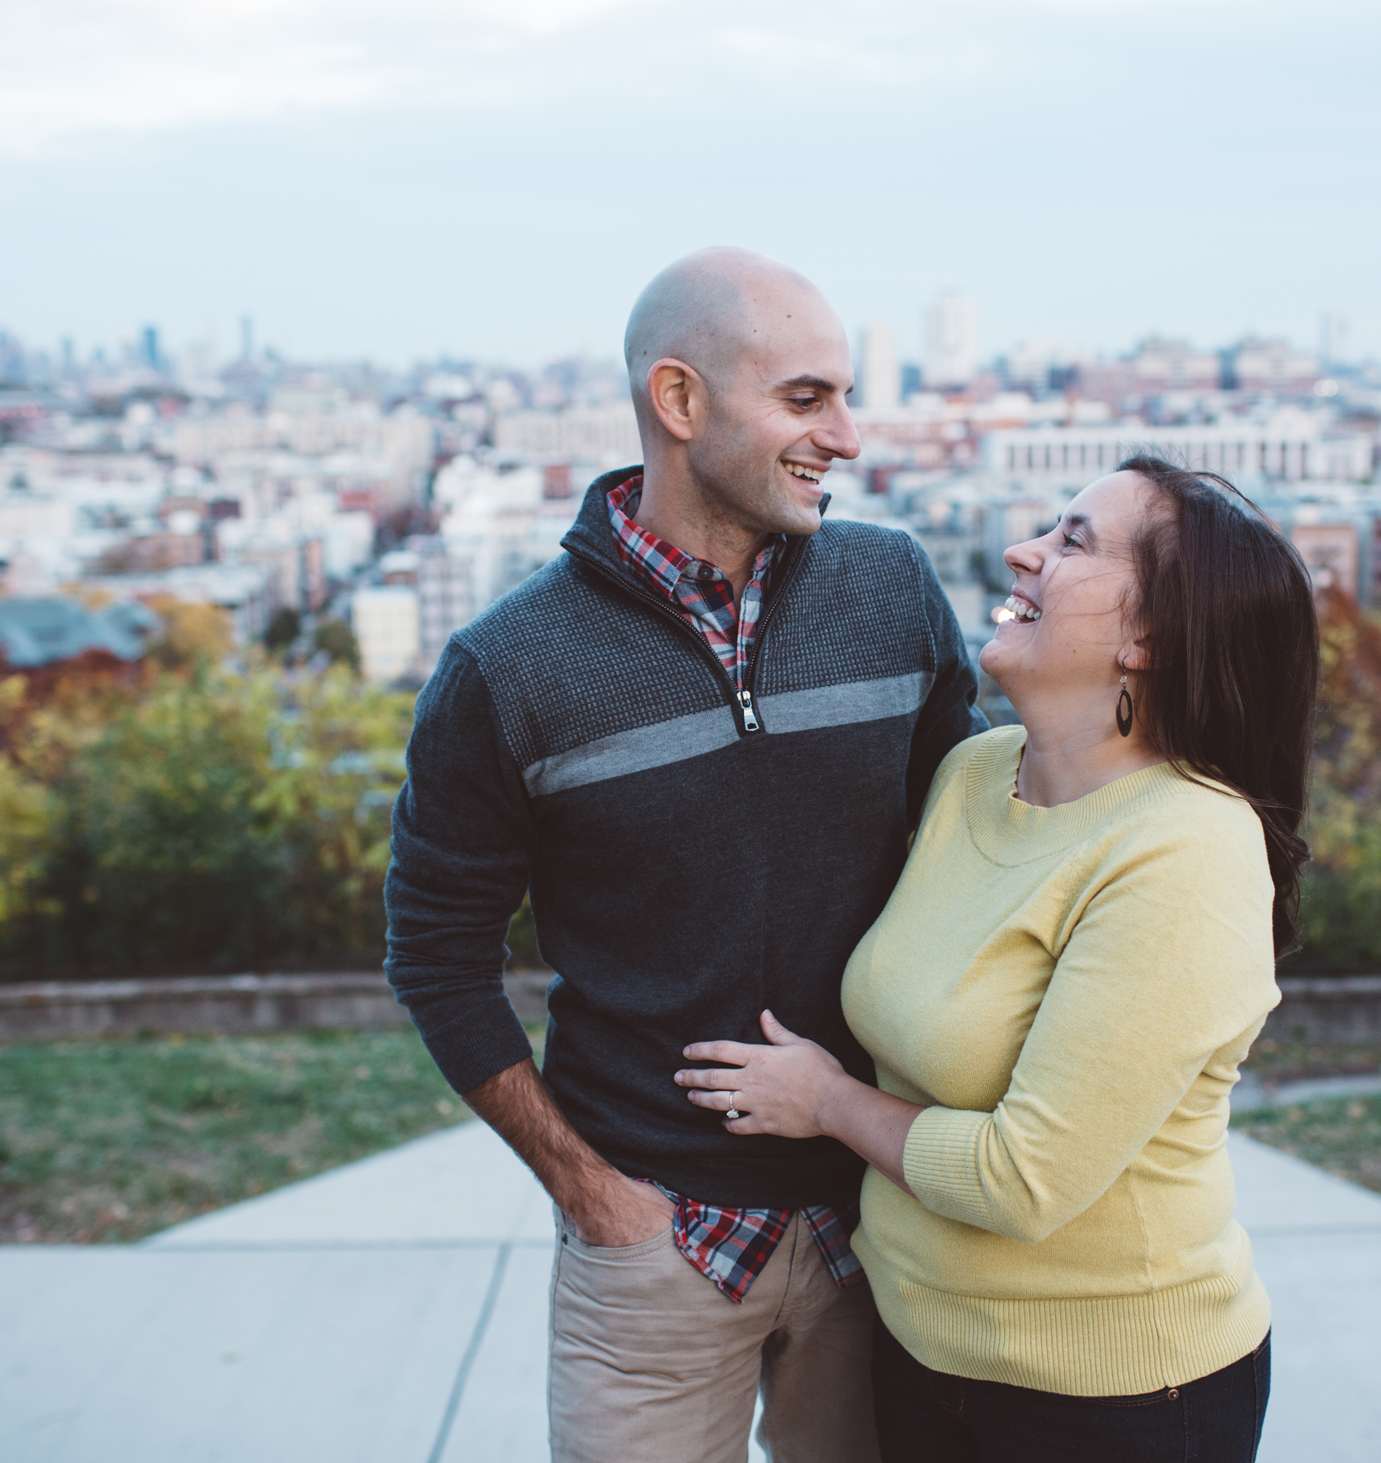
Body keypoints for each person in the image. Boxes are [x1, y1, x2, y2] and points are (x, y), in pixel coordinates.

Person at [384, 247, 985, 1463]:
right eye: (808, 399)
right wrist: (596, 1200)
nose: (850, 437)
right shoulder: (509, 669)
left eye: (847, 397)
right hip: (652, 1248)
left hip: (880, 1223)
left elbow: (992, 839)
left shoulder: (893, 588)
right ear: (678, 400)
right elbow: (436, 959)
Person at [674, 456, 1318, 1462]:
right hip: (919, 1356)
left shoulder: (1185, 847)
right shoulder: (974, 772)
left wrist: (827, 1100)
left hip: (1115, 1397)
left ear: (1148, 637)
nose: (1024, 550)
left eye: (1073, 541)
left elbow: (1023, 1179)